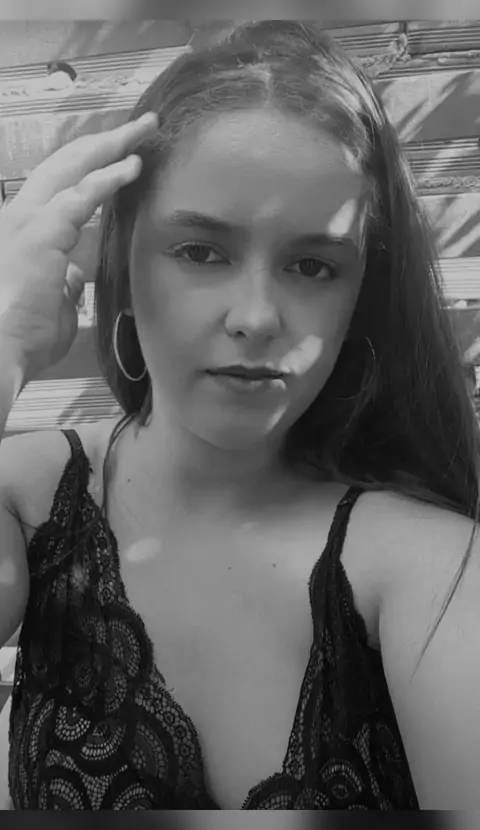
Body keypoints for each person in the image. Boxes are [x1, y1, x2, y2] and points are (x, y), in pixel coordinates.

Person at [0, 19, 479, 812]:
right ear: (121, 260)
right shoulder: (29, 501)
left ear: (360, 296)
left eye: (312, 265)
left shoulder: (429, 569)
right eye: (201, 252)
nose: (256, 317)